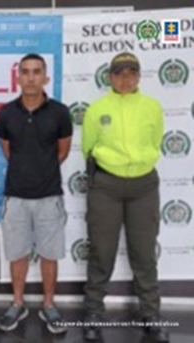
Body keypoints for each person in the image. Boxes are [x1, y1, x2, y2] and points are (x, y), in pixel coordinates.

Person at [81, 52, 169, 342]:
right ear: (110, 77)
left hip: (144, 186)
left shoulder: (152, 107)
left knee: (144, 253)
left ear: (139, 76)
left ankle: (150, 315)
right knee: (101, 251)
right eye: (120, 73)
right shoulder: (97, 109)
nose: (126, 78)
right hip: (106, 186)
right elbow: (88, 147)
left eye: (132, 72)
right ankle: (93, 312)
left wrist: (140, 162)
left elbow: (155, 142)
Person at [0, 53, 73, 334]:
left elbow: (61, 152)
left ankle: (49, 305)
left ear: (46, 77)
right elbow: (8, 150)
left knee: (49, 254)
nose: (30, 77)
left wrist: (41, 169)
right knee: (17, 254)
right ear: (18, 77)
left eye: (36, 72)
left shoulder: (60, 112)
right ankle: (18, 303)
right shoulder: (6, 113)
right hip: (15, 196)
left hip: (49, 196)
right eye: (25, 72)